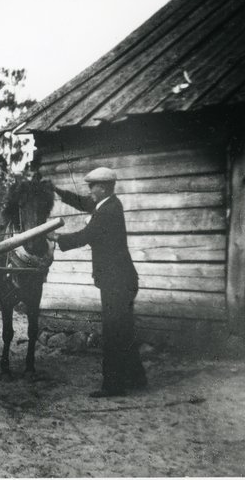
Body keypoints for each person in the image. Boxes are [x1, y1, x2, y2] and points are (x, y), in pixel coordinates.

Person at [51, 167, 147, 398]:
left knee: (113, 333)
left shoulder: (107, 211)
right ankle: (137, 378)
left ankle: (113, 386)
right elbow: (83, 202)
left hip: (117, 282)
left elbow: (85, 236)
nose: (89, 191)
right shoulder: (108, 203)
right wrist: (58, 191)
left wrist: (54, 236)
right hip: (121, 279)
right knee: (124, 331)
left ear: (103, 188)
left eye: (92, 187)